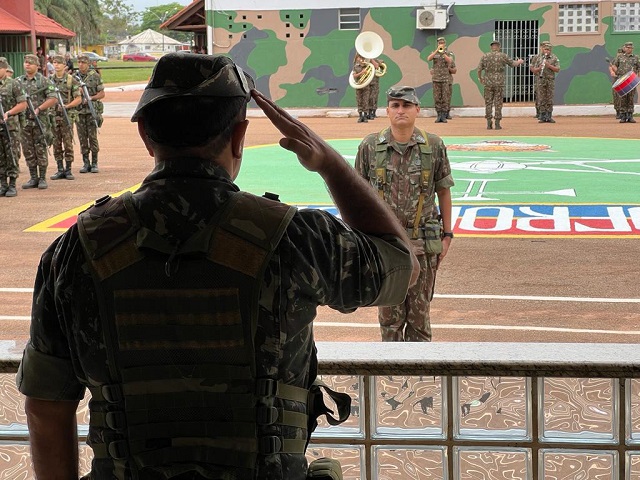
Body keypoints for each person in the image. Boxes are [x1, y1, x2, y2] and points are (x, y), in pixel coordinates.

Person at [16, 52, 418, 480]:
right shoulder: (296, 238)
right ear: (239, 135)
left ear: (147, 138)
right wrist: (331, 165)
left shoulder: (76, 250)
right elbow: (399, 264)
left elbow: (45, 406)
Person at [354, 86, 454, 342]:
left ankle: (419, 378)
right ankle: (391, 378)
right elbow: (356, 195)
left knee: (420, 319)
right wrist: (359, 238)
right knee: (389, 319)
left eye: (406, 105)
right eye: (395, 106)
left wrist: (447, 236)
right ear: (387, 111)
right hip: (385, 245)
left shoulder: (433, 146)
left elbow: (443, 191)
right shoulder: (370, 146)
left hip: (423, 243)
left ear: (417, 110)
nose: (401, 111)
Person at [17, 54, 57, 190]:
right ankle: (33, 177)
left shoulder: (44, 81)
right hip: (24, 122)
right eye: (26, 63)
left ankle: (42, 178)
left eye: (30, 63)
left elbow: (53, 98)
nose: (27, 65)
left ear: (37, 66)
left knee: (40, 149)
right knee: (28, 150)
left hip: (40, 121)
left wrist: (39, 109)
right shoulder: (18, 81)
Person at [476, 40, 524, 130]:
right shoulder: (503, 56)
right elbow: (513, 64)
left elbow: (479, 69)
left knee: (488, 102)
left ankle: (489, 122)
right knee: (498, 103)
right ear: (499, 47)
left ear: (491, 47)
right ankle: (497, 123)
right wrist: (520, 62)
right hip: (499, 83)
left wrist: (480, 78)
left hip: (488, 82)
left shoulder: (485, 56)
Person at [49, 54, 82, 180]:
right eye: (54, 62)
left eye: (58, 63)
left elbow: (78, 98)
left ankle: (68, 169)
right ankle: (59, 169)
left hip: (66, 116)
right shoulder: (50, 80)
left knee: (67, 143)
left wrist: (67, 106)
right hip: (53, 116)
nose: (56, 65)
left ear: (64, 65)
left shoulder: (70, 80)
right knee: (56, 143)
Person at [0, 57, 27, 198]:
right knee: (0, 157)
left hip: (10, 127)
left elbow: (23, 104)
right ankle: (2, 184)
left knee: (11, 155)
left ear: (5, 69)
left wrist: (8, 113)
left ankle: (12, 184)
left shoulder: (13, 84)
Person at [75, 54, 105, 172]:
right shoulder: (74, 78)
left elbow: (102, 94)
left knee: (92, 137)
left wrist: (91, 98)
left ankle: (94, 163)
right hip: (80, 112)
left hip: (92, 111)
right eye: (79, 62)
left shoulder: (95, 77)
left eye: (83, 62)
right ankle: (85, 163)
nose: (81, 65)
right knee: (82, 138)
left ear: (88, 64)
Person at [529, 41, 560, 123]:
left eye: (548, 50)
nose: (547, 51)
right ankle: (542, 116)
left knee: (549, 98)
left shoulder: (554, 58)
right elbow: (532, 69)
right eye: (545, 49)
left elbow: (557, 69)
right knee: (541, 98)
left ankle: (549, 116)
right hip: (540, 80)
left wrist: (549, 66)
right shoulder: (538, 58)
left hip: (550, 80)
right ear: (542, 49)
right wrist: (539, 69)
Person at [427, 36, 456, 123]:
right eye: (439, 43)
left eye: (442, 43)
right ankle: (438, 115)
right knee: (437, 98)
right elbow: (429, 58)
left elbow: (450, 61)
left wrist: (443, 53)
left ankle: (444, 115)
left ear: (445, 43)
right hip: (436, 79)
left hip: (445, 79)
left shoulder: (449, 53)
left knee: (445, 98)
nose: (441, 44)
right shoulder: (434, 53)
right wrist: (437, 51)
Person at [611, 41, 640, 123]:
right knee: (622, 98)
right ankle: (623, 116)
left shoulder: (636, 57)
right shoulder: (620, 57)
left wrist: (638, 77)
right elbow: (613, 65)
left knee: (630, 98)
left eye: (630, 47)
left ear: (632, 49)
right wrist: (617, 72)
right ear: (624, 48)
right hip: (622, 80)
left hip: (631, 81)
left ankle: (630, 115)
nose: (628, 49)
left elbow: (639, 67)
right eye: (627, 47)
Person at [352, 52, 372, 123]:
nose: (360, 59)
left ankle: (365, 116)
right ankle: (360, 116)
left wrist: (366, 72)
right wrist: (362, 73)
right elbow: (354, 76)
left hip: (366, 85)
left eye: (361, 58)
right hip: (358, 85)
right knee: (359, 100)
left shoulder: (367, 66)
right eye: (359, 58)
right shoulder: (355, 67)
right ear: (356, 59)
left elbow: (371, 74)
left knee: (365, 100)